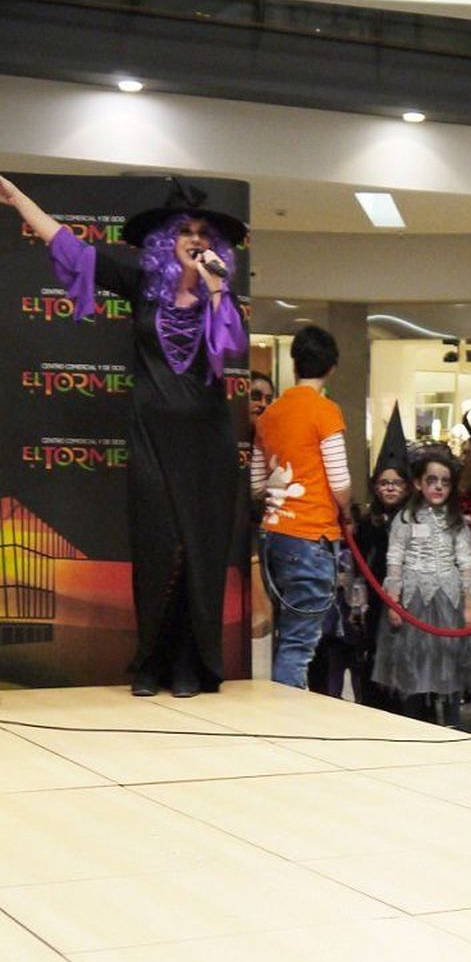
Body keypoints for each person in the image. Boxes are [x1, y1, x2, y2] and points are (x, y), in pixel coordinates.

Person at [2, 174, 248, 696]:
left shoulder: (216, 295)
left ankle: (190, 664)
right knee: (162, 545)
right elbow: (71, 249)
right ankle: (152, 663)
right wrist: (19, 200)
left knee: (199, 549)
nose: (196, 239)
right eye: (186, 230)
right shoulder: (143, 284)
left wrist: (217, 289)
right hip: (152, 437)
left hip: (208, 445)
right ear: (167, 239)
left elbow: (229, 352)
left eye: (204, 232)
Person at [250, 325, 352, 690]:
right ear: (332, 368)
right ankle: (287, 721)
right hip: (311, 535)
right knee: (299, 644)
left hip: (273, 537)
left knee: (286, 636)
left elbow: (257, 484)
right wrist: (348, 513)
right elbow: (339, 481)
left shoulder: (270, 414)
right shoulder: (325, 412)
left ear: (294, 363)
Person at [372, 451, 471, 726]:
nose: (439, 487)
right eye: (432, 480)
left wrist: (468, 605)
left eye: (445, 481)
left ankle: (452, 720)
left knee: (449, 658)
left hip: (448, 597)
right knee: (413, 658)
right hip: (413, 597)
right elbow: (394, 560)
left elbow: (465, 562)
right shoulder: (406, 518)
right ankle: (413, 720)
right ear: (419, 484)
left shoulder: (457, 520)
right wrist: (394, 601)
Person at [351, 411, 411, 713]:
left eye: (396, 483)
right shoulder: (367, 522)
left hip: (406, 601)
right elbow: (358, 563)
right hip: (374, 601)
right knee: (372, 654)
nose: (390, 488)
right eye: (384, 483)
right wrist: (356, 600)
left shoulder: (415, 521)